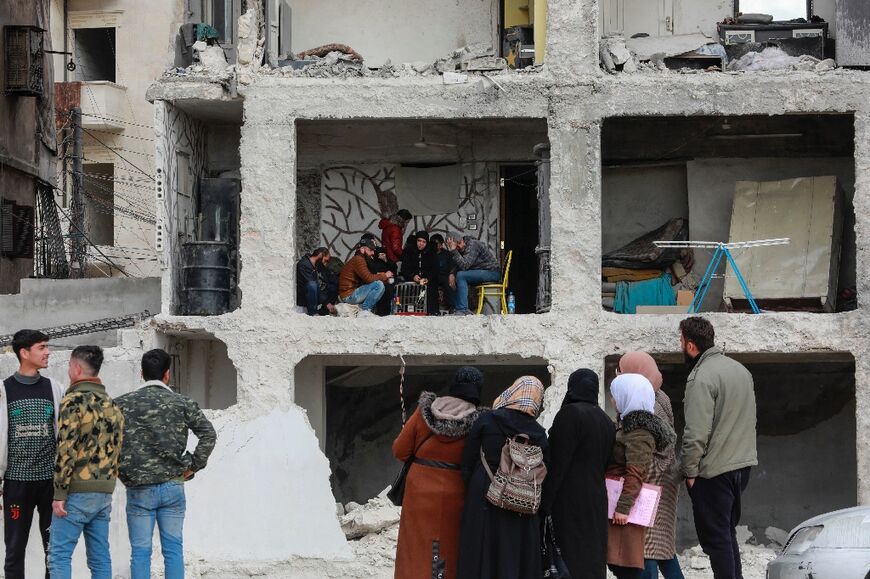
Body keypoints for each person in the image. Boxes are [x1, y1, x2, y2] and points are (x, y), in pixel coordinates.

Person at [115, 349, 217, 579]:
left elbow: (103, 441)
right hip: (173, 486)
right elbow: (208, 435)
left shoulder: (120, 405)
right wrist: (192, 466)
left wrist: (120, 470)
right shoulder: (182, 403)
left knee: (140, 553)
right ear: (167, 374)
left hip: (138, 488)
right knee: (173, 551)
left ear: (141, 373)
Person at [679, 317, 757, 579]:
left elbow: (695, 433)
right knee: (727, 532)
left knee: (716, 538)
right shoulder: (740, 371)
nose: (680, 347)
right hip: (742, 465)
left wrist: (689, 473)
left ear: (691, 345)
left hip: (713, 471)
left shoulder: (701, 377)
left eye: (680, 341)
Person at [392, 367, 485, 579]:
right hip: (456, 489)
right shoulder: (479, 421)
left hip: (419, 489)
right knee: (448, 544)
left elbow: (400, 450)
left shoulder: (423, 411)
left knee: (415, 545)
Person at [457, 376, 548, 579]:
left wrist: (472, 487)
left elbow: (468, 459)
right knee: (514, 555)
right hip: (521, 501)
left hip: (484, 493)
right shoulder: (539, 433)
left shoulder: (487, 420)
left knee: (481, 550)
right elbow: (545, 470)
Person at [49, 346, 124, 579]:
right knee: (100, 557)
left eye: (70, 365)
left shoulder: (73, 400)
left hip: (76, 492)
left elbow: (66, 449)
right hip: (104, 492)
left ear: (76, 368)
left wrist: (59, 494)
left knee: (59, 555)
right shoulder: (112, 405)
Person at [1, 330, 65, 579]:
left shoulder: (54, 388)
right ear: (24, 353)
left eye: (47, 346)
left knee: (54, 550)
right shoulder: (4, 390)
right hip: (16, 483)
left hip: (50, 484)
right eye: (41, 347)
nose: (47, 352)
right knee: (14, 549)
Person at [541, 369, 616, 579]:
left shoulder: (570, 414)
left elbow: (557, 464)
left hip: (570, 500)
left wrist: (544, 504)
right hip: (597, 499)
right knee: (592, 557)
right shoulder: (605, 421)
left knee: (570, 557)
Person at [619, 352, 684, 579]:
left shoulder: (644, 404)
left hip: (649, 480)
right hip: (666, 477)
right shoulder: (661, 397)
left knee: (645, 547)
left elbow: (641, 452)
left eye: (621, 370)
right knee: (663, 547)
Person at [606, 373, 675, 579]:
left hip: (625, 511)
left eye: (615, 395)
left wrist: (623, 508)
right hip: (621, 506)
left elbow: (636, 471)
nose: (612, 400)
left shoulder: (639, 432)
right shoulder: (629, 426)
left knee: (630, 567)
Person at [445, 232, 501, 315]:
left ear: (462, 240)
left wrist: (454, 250)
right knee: (457, 276)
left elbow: (465, 265)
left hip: (493, 272)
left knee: (461, 275)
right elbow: (457, 265)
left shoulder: (473, 245)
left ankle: (462, 309)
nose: (460, 246)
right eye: (456, 246)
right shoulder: (461, 249)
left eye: (460, 243)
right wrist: (451, 274)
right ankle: (458, 308)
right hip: (484, 272)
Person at [338, 239, 394, 315]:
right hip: (349, 295)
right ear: (362, 250)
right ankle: (365, 310)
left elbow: (368, 277)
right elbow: (368, 278)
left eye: (373, 250)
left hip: (350, 293)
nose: (373, 253)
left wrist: (382, 277)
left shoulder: (362, 259)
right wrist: (385, 275)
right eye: (370, 250)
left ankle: (364, 310)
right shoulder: (358, 260)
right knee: (378, 285)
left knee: (380, 284)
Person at [399, 231, 440, 315]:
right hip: (412, 279)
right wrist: (413, 276)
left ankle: (432, 313)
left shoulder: (431, 252)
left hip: (427, 280)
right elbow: (404, 269)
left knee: (431, 289)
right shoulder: (409, 251)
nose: (421, 244)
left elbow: (435, 270)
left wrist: (427, 278)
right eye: (419, 241)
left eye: (423, 242)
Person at [296, 247, 336, 316]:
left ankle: (324, 312)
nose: (325, 263)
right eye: (325, 260)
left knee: (333, 286)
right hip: (304, 297)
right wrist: (327, 303)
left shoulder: (318, 266)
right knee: (312, 285)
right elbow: (314, 287)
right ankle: (313, 313)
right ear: (320, 255)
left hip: (318, 295)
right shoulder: (303, 265)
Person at [368, 246, 398, 316]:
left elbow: (394, 268)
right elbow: (372, 272)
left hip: (390, 282)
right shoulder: (373, 262)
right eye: (380, 254)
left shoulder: (388, 261)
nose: (382, 255)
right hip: (380, 282)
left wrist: (386, 260)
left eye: (384, 254)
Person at [430, 233, 455, 311]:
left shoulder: (447, 254)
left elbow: (452, 266)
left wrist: (451, 274)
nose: (434, 246)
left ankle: (452, 307)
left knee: (448, 284)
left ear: (441, 245)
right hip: (433, 276)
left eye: (436, 244)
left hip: (445, 276)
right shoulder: (429, 254)